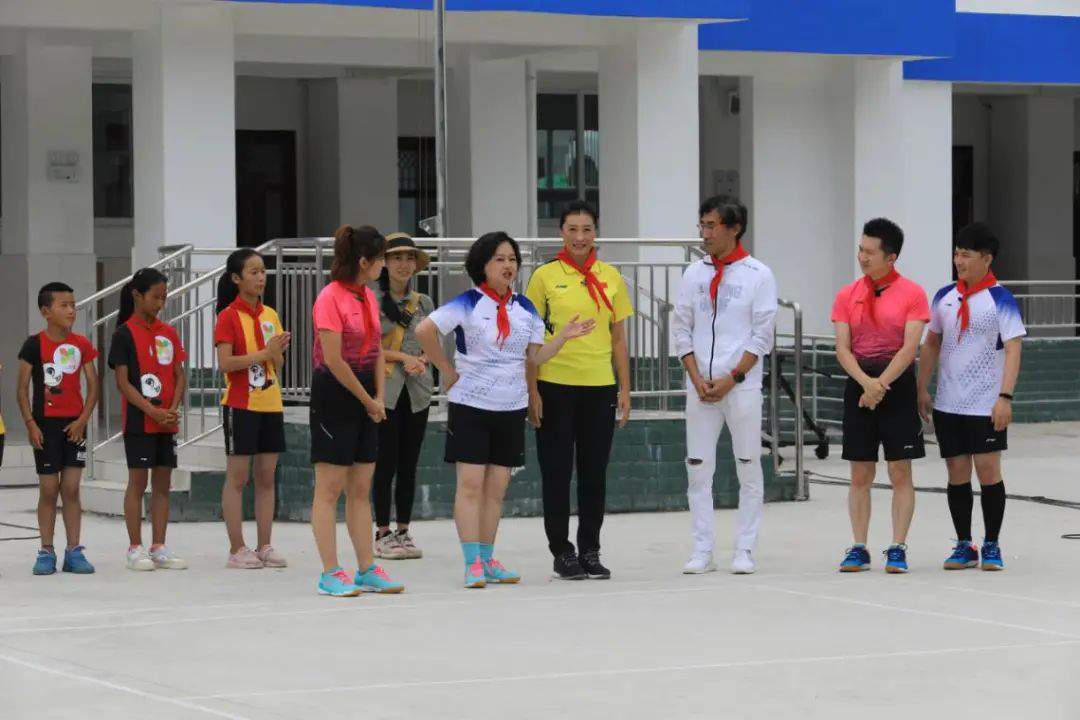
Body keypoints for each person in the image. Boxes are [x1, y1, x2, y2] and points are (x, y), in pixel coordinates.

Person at [416, 231, 594, 589]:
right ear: (482, 265)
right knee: (470, 485)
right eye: (499, 259)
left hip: (511, 406)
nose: (508, 265)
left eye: (512, 259)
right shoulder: (468, 302)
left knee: (496, 488)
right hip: (471, 404)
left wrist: (562, 337)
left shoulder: (524, 308)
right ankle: (472, 563)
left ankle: (487, 558)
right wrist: (445, 369)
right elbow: (424, 330)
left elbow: (535, 358)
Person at [525, 201, 633, 580]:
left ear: (595, 233)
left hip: (599, 387)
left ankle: (590, 549)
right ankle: (562, 551)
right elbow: (530, 339)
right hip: (555, 386)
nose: (580, 237)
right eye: (572, 229)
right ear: (561, 232)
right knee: (556, 472)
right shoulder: (543, 277)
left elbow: (618, 338)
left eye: (586, 229)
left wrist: (625, 388)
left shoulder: (611, 276)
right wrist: (532, 391)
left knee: (594, 474)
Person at [672, 196, 777, 576]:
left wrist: (733, 378)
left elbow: (762, 335)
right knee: (698, 468)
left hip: (741, 386)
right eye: (702, 225)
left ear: (734, 229)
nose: (705, 233)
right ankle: (702, 549)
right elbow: (681, 326)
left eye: (711, 225)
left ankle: (744, 548)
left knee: (748, 465)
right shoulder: (693, 274)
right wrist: (696, 377)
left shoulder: (758, 275)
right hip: (700, 386)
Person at [917, 222, 1024, 571]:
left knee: (988, 471)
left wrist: (1005, 397)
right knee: (956, 472)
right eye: (956, 254)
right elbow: (931, 342)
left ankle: (992, 543)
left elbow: (1013, 349)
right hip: (949, 402)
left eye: (966, 255)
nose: (959, 261)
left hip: (985, 403)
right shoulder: (945, 296)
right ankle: (964, 544)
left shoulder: (1001, 300)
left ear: (986, 259)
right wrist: (922, 387)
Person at [309, 224, 403, 597]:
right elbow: (334, 360)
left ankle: (366, 568)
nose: (384, 266)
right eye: (381, 259)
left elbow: (376, 349)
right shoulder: (329, 298)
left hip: (367, 399)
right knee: (329, 489)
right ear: (364, 261)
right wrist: (367, 400)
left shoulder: (367, 297)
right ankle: (330, 572)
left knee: (361, 488)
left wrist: (378, 396)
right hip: (334, 398)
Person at [832, 218, 929, 574]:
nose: (862, 257)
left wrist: (880, 385)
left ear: (891, 257)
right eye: (861, 250)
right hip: (859, 385)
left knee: (900, 471)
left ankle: (897, 547)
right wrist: (865, 383)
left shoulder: (913, 293)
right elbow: (842, 349)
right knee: (860, 472)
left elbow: (909, 349)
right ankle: (858, 547)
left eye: (870, 252)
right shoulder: (847, 294)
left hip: (896, 385)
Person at [215, 248, 292, 569]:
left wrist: (276, 353)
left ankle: (264, 545)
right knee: (238, 478)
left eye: (263, 271)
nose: (261, 278)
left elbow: (278, 363)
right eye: (254, 272)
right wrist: (264, 353)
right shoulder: (228, 316)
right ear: (236, 279)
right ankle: (237, 548)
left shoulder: (270, 315)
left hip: (270, 403)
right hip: (240, 404)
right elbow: (225, 363)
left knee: (266, 478)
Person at [108, 268, 189, 571]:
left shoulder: (169, 333)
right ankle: (134, 547)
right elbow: (123, 383)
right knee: (138, 482)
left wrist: (172, 408)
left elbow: (180, 375)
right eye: (155, 297)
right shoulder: (123, 334)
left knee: (163, 484)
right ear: (137, 296)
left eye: (164, 297)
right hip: (139, 422)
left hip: (166, 421)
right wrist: (151, 410)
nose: (160, 303)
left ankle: (159, 546)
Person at [16, 282, 99, 575]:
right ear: (45, 311)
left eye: (73, 305)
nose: (71, 310)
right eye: (64, 305)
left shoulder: (82, 344)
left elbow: (93, 386)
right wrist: (31, 424)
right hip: (45, 426)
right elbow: (22, 389)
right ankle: (46, 550)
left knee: (71, 488)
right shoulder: (34, 345)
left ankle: (74, 550)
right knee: (49, 489)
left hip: (75, 425)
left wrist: (82, 420)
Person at [372, 233, 435, 561]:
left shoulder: (424, 303)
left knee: (409, 463)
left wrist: (422, 359)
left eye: (409, 258)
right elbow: (368, 348)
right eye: (396, 257)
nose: (403, 264)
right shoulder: (371, 301)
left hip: (417, 391)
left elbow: (434, 344)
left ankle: (404, 529)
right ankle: (382, 532)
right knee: (385, 463)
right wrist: (403, 358)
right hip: (386, 390)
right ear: (384, 263)